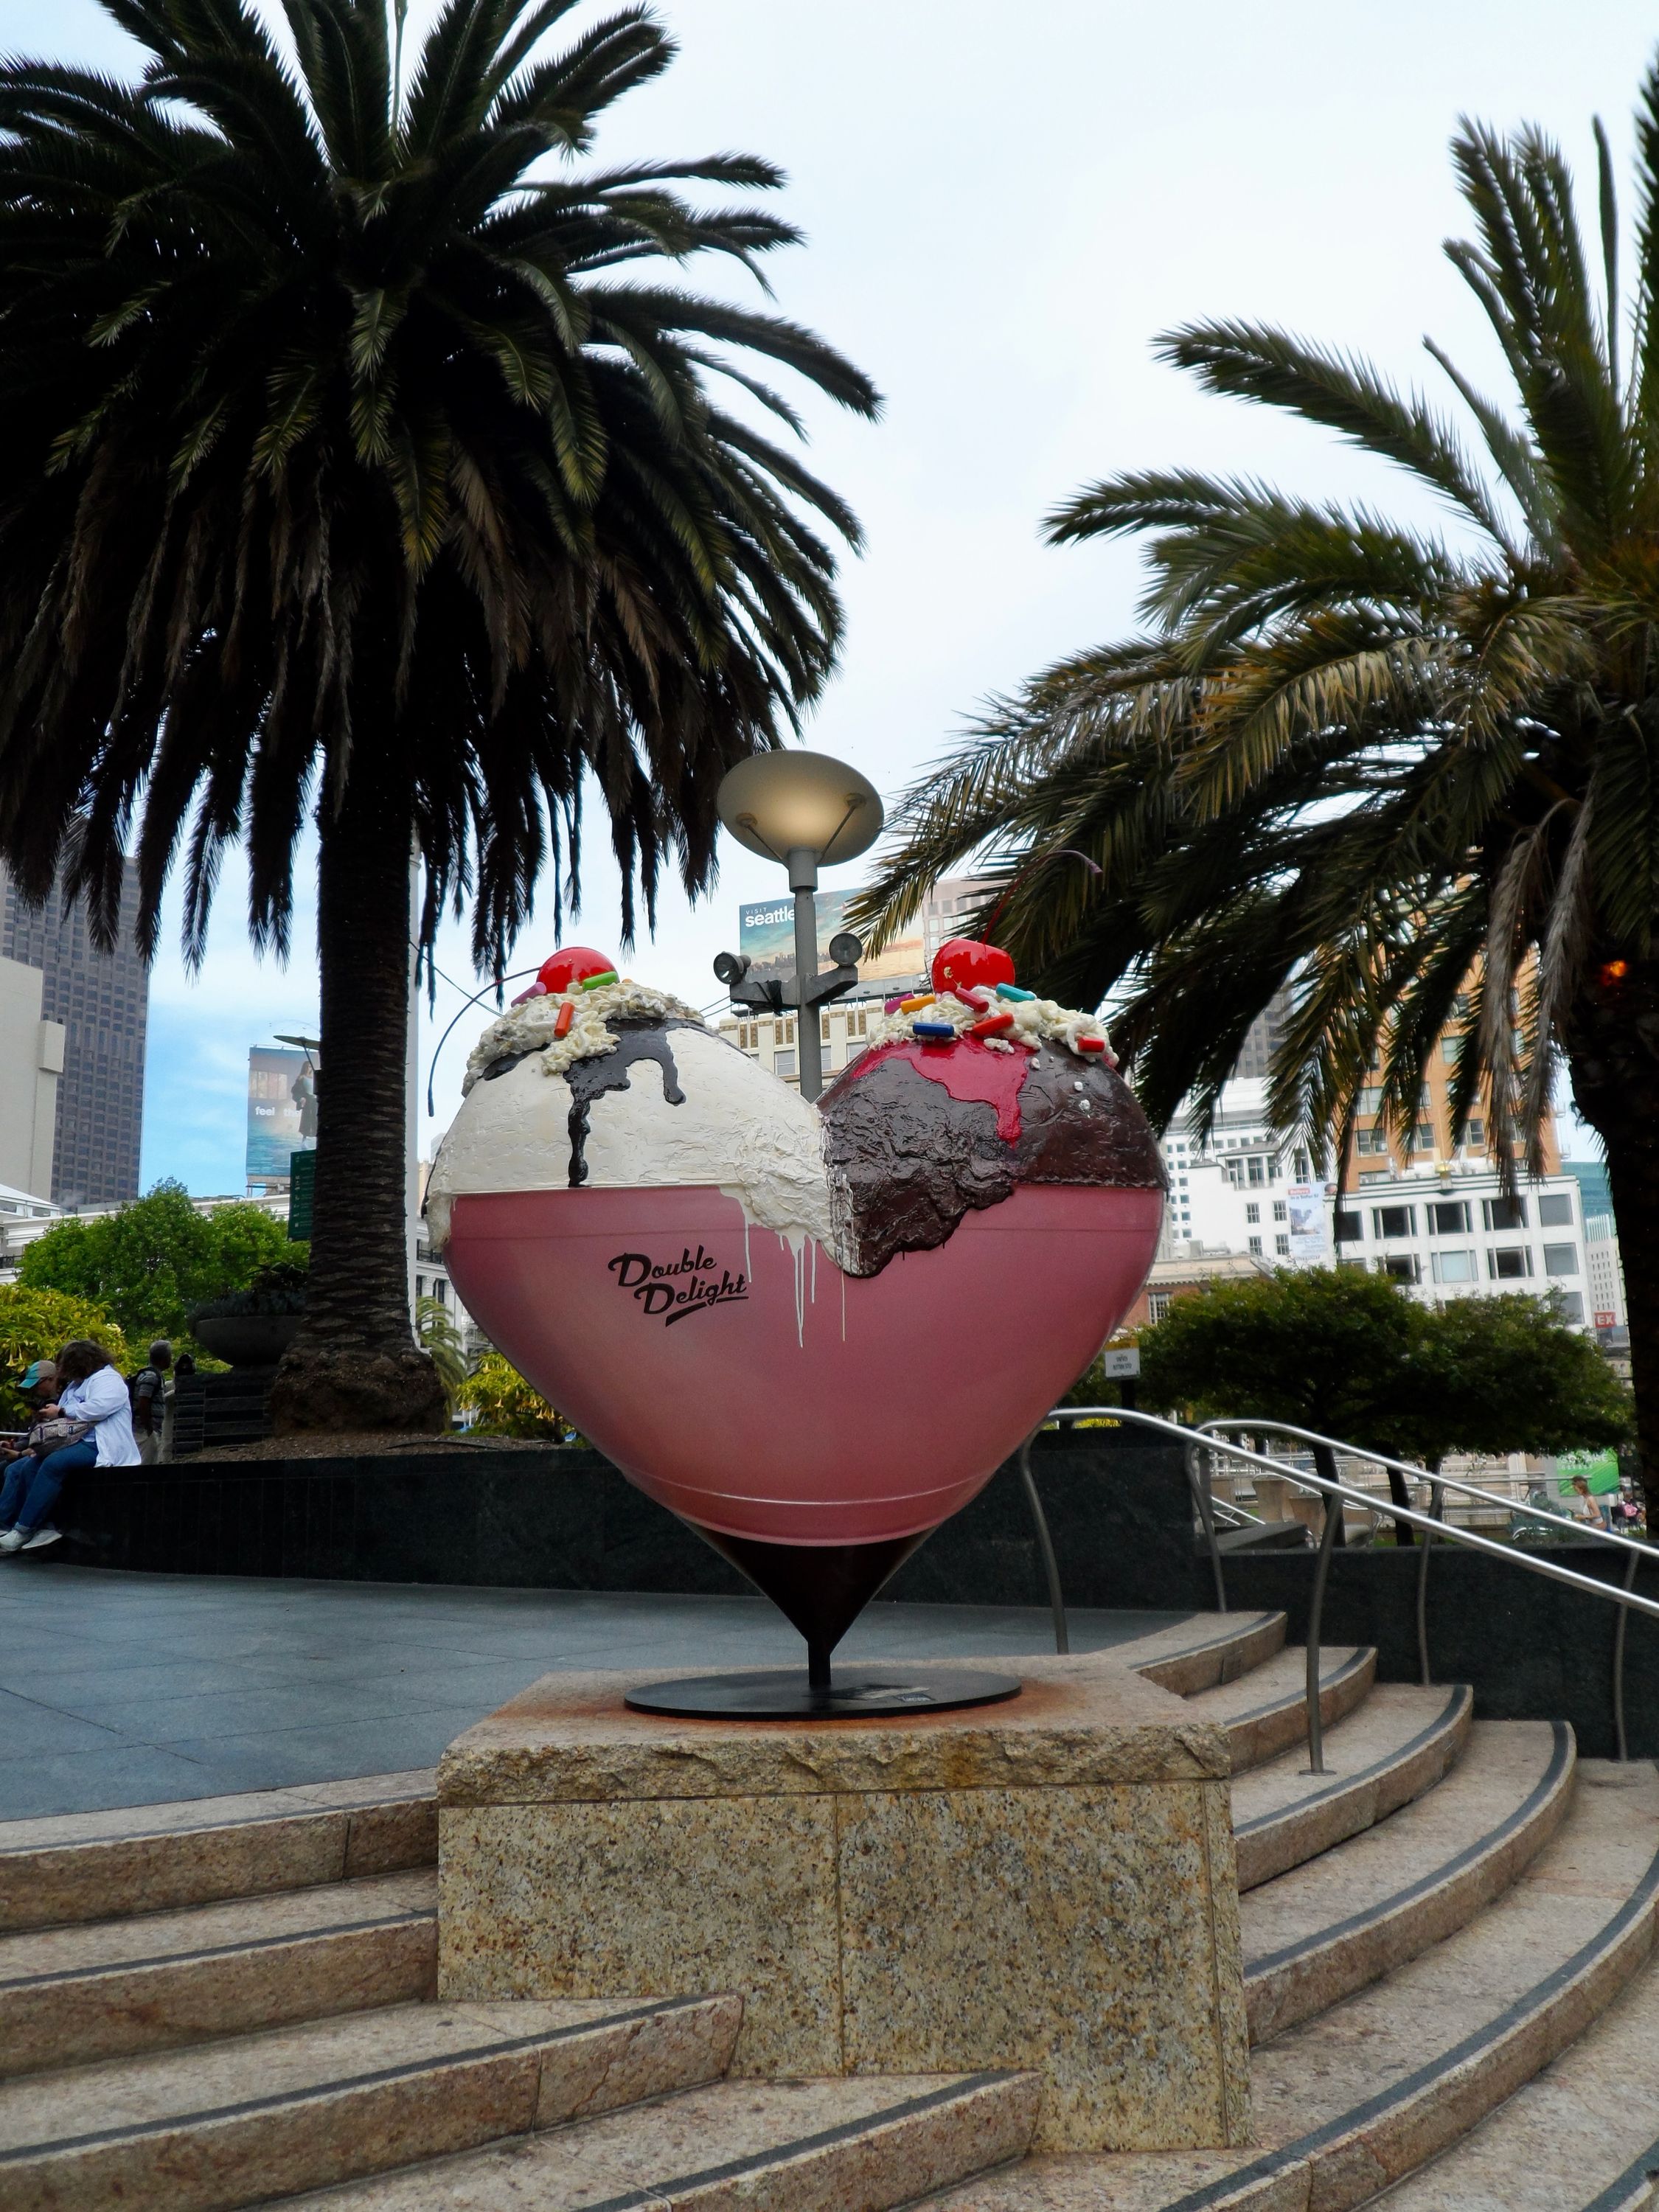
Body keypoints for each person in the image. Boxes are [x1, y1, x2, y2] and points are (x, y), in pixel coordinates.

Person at [0, 1338, 139, 1554]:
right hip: (77, 1441)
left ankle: (24, 1528)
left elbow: (99, 1408)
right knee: (29, 1466)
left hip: (99, 1443)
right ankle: (44, 1525)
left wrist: (62, 1412)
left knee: (54, 1464)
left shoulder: (110, 1379)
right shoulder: (78, 1384)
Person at [131, 1340, 172, 1466]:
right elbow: (143, 1401)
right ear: (164, 1358)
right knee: (146, 1467)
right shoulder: (151, 1376)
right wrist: (149, 1430)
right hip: (145, 1433)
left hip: (149, 1431)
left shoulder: (155, 1375)